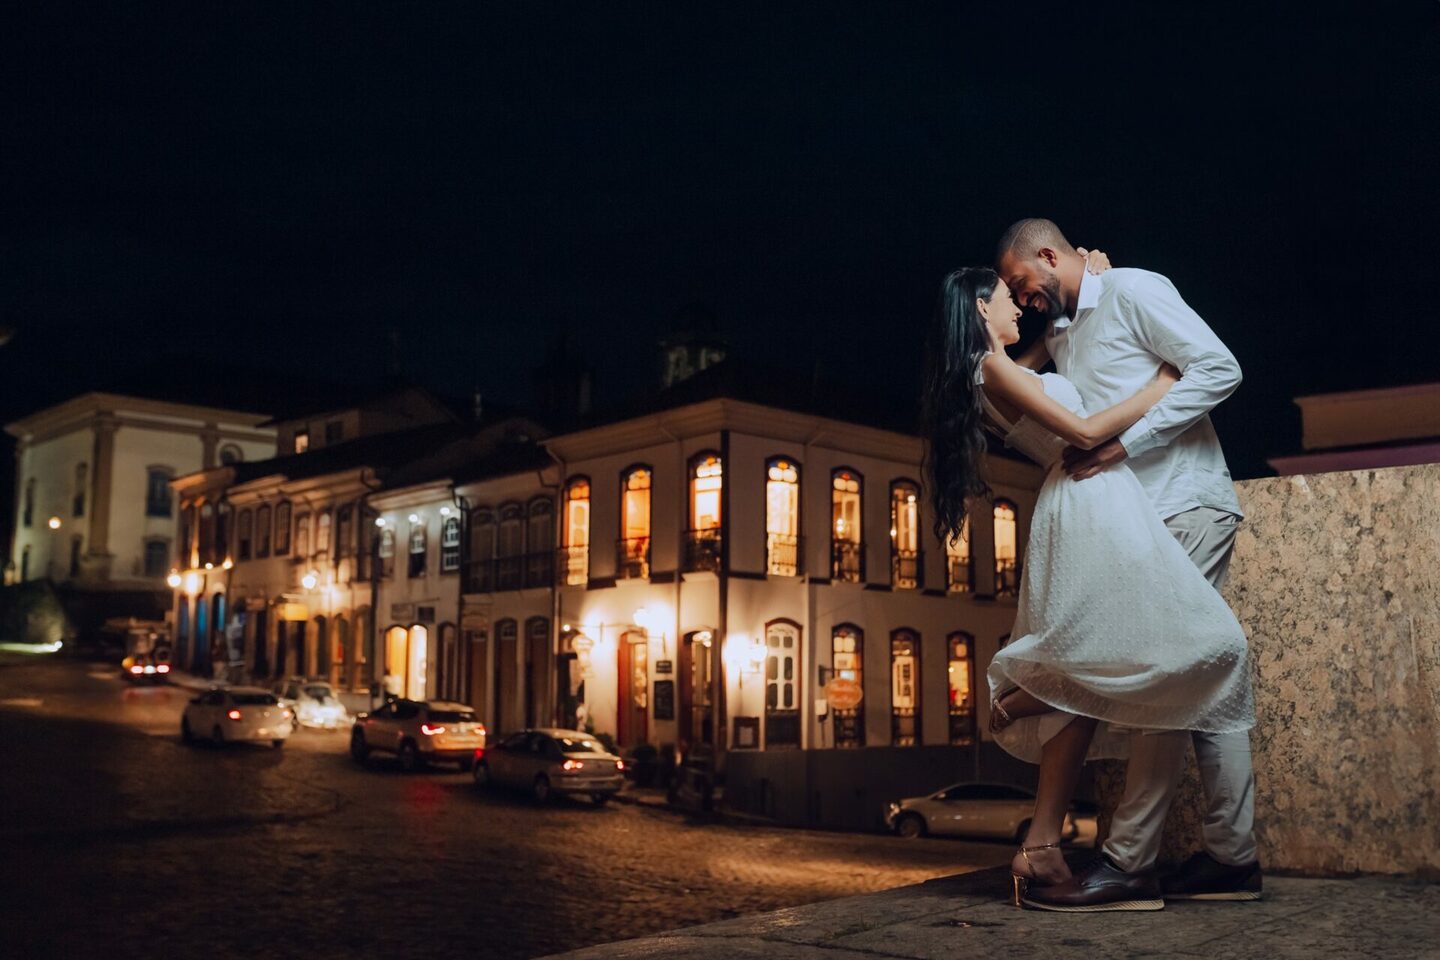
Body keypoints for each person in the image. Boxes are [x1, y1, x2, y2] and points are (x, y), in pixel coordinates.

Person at [922, 260, 1254, 912]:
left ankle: (1224, 856)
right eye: (1009, 296)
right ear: (981, 307)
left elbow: (1039, 352)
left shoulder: (1006, 362)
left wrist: (1084, 291)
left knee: (1173, 657)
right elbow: (1079, 433)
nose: (1023, 307)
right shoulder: (992, 371)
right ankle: (1135, 854)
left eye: (1023, 290)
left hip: (1113, 504)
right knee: (1160, 659)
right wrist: (1159, 386)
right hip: (1096, 505)